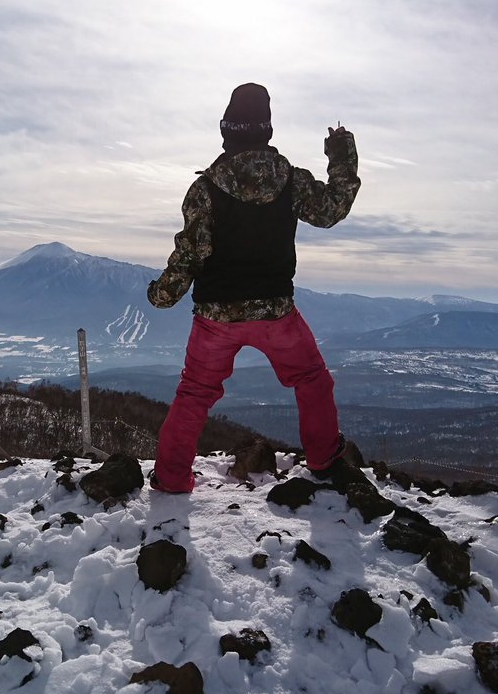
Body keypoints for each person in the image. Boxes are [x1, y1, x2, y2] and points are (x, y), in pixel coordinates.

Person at [146, 82, 360, 493]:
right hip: (275, 312)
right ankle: (324, 458)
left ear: (226, 130)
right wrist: (341, 153)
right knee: (312, 379)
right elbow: (333, 208)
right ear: (267, 130)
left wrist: (161, 294)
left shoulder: (205, 189)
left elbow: (190, 254)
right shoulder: (291, 182)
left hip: (215, 318)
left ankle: (172, 477)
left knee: (194, 393)